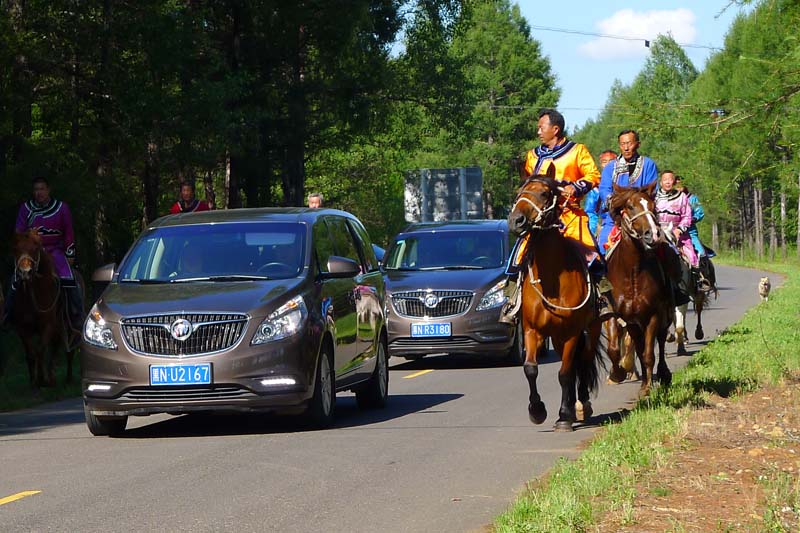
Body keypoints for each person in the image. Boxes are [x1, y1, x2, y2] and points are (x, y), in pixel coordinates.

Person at [500, 108, 612, 323]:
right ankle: (511, 301)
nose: (538, 132)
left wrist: (576, 187)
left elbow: (594, 175)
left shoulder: (577, 151)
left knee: (592, 254)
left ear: (555, 129)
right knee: (518, 255)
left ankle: (602, 298)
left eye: (541, 127)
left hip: (568, 214)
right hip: (540, 218)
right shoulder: (533, 156)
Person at [4, 176, 83, 331]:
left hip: (55, 251)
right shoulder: (26, 209)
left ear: (48, 190)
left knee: (69, 278)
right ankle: (8, 315)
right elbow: (18, 233)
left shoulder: (62, 208)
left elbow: (68, 233)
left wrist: (70, 253)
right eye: (36, 189)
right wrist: (27, 239)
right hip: (31, 252)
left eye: (42, 189)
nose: (38, 192)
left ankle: (77, 316)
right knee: (15, 279)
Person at [597, 130, 659, 250]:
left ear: (638, 144)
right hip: (615, 217)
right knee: (602, 247)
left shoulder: (648, 164)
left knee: (665, 247)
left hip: (642, 216)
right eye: (622, 144)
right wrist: (614, 203)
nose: (626, 148)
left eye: (629, 143)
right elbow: (604, 189)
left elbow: (651, 191)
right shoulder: (610, 167)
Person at [583, 150, 617, 236]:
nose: (608, 164)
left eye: (611, 161)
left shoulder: (625, 182)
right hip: (606, 225)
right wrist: (591, 233)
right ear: (601, 164)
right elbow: (591, 212)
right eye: (604, 162)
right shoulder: (596, 187)